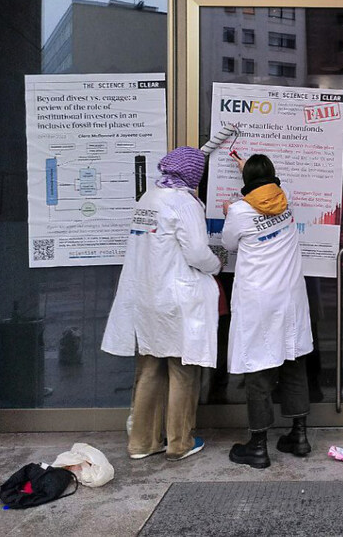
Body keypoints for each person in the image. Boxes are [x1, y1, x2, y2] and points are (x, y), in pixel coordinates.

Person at [102, 146, 221, 461]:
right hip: (175, 298)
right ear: (194, 174)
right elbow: (196, 252)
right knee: (183, 370)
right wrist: (216, 266)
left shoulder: (149, 198)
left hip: (145, 296)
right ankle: (179, 443)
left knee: (149, 369)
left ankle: (142, 443)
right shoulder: (184, 203)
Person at [222, 153, 314, 469]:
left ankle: (258, 447)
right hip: (290, 297)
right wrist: (250, 174)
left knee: (259, 368)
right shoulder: (284, 205)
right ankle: (299, 437)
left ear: (247, 182)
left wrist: (228, 212)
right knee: (293, 359)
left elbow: (229, 244)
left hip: (258, 300)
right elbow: (266, 194)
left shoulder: (238, 210)